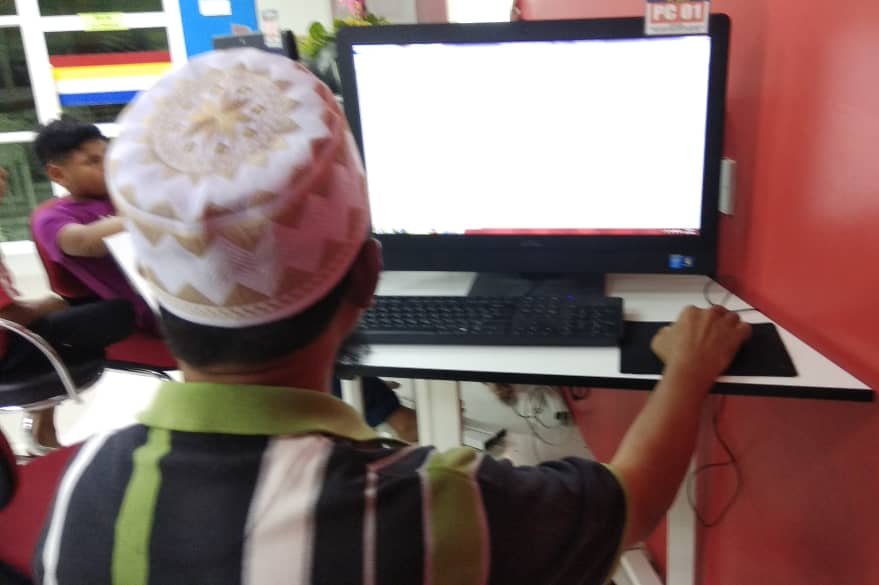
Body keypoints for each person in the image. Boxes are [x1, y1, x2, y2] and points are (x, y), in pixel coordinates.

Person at [34, 49, 750, 584]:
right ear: (369, 273)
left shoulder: (84, 482)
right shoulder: (432, 505)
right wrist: (686, 371)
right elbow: (628, 505)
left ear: (159, 284)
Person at [0, 167, 135, 449]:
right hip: (8, 347)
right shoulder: (52, 217)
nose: (3, 179)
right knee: (118, 312)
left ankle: (42, 426)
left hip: (12, 337)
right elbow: (8, 314)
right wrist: (49, 304)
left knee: (72, 313)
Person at [30, 119, 155, 333]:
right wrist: (151, 214)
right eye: (93, 161)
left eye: (109, 157)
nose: (108, 166)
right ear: (58, 174)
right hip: (145, 315)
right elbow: (85, 241)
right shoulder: (51, 217)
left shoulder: (126, 195)